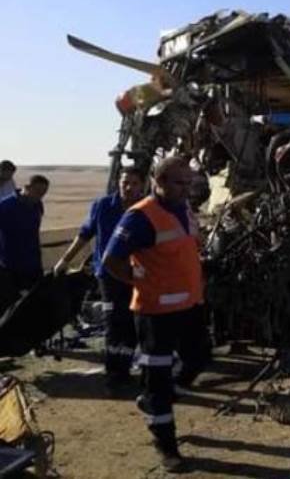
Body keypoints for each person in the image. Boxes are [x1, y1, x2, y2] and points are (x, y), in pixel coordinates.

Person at [102, 157, 210, 472]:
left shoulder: (184, 210)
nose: (186, 189)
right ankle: (166, 445)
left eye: (189, 183)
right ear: (158, 181)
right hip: (156, 313)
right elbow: (111, 261)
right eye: (179, 183)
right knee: (158, 378)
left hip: (190, 306)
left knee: (199, 357)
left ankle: (156, 400)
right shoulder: (140, 216)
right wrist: (141, 281)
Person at [54, 167, 146, 389]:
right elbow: (85, 234)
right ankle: (114, 373)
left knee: (134, 322)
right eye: (125, 182)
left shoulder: (147, 209)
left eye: (134, 183)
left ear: (142, 185)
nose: (128, 187)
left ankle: (127, 366)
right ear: (118, 183)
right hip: (108, 275)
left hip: (137, 275)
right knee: (114, 322)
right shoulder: (103, 206)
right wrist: (65, 260)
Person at [0, 175, 49, 294]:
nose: (40, 196)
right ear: (27, 187)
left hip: (34, 265)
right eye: (37, 192)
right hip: (10, 266)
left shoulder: (38, 206)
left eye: (43, 193)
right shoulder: (5, 207)